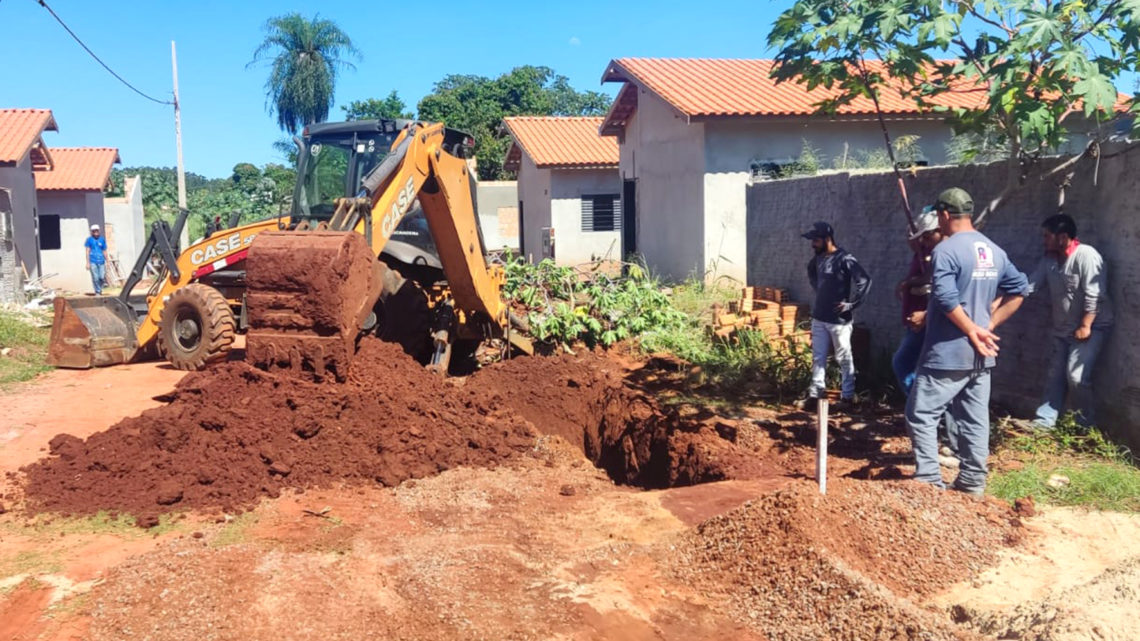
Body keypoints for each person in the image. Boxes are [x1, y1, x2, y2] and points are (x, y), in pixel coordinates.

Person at [905, 188, 1028, 496]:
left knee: (921, 414)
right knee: (974, 420)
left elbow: (945, 297)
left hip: (947, 353)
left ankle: (929, 483)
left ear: (945, 215)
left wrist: (973, 329)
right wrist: (989, 325)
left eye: (939, 217)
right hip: (981, 356)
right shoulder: (993, 250)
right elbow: (1020, 290)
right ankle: (972, 483)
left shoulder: (947, 250)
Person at [1026, 214, 1114, 428]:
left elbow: (1095, 294)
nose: (1043, 241)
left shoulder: (1087, 256)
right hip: (1062, 329)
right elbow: (1031, 285)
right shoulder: (1049, 259)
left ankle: (1085, 425)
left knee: (1076, 377)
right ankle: (1044, 421)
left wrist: (1085, 325)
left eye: (1047, 236)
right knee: (1055, 375)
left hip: (1091, 327)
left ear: (1062, 237)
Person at [802, 221, 872, 410]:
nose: (812, 244)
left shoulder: (844, 258)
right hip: (819, 317)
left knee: (844, 357)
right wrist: (820, 290)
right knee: (818, 357)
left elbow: (864, 281)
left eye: (815, 240)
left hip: (839, 322)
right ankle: (815, 394)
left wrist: (852, 304)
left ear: (827, 239)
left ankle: (848, 397)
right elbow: (811, 273)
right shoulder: (818, 259)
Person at [84, 224, 107, 295]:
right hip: (93, 261)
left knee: (102, 277)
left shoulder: (102, 240)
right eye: (94, 231)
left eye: (97, 231)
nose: (96, 233)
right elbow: (87, 251)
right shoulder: (89, 240)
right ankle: (98, 291)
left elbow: (104, 250)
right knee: (95, 277)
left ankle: (100, 288)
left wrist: (107, 261)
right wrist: (88, 263)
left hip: (101, 261)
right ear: (92, 232)